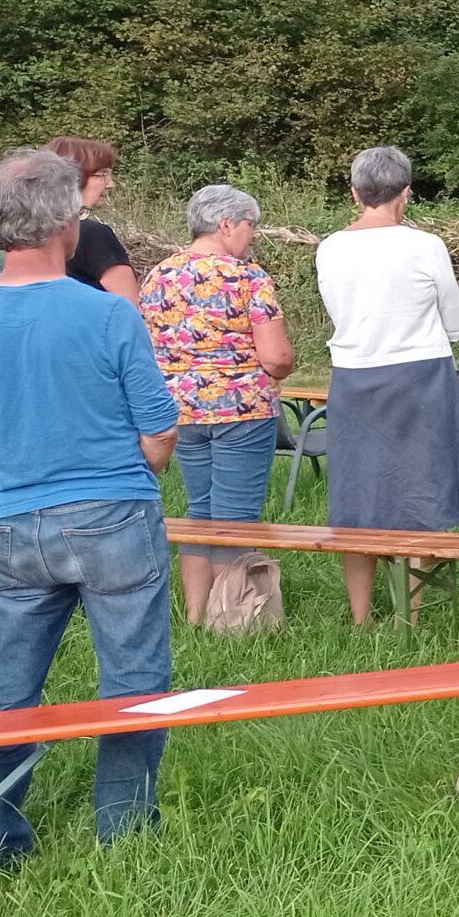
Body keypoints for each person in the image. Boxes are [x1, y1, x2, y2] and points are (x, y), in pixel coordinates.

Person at [0, 148, 180, 866]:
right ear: (65, 225)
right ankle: (126, 832)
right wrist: (136, 473)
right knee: (134, 678)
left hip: (8, 522)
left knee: (7, 686)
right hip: (112, 515)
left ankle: (3, 835)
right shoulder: (108, 314)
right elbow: (159, 428)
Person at [315, 146, 459, 625]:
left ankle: (359, 616)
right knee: (419, 490)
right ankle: (407, 615)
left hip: (354, 374)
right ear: (406, 193)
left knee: (357, 493)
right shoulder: (424, 245)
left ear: (355, 194)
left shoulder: (330, 246)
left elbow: (336, 307)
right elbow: (452, 318)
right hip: (420, 373)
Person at [140, 185, 295, 624]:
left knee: (200, 513)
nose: (254, 236)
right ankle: (232, 621)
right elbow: (276, 356)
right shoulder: (249, 277)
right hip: (241, 412)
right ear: (227, 224)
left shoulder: (158, 276)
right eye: (251, 226)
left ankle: (193, 616)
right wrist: (282, 370)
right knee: (235, 519)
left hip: (180, 412)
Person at [44, 137, 137, 305]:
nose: (110, 184)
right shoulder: (95, 234)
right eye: (103, 174)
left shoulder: (31, 232)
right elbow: (129, 305)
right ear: (76, 177)